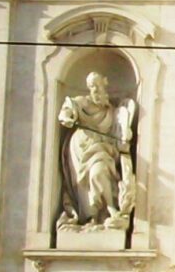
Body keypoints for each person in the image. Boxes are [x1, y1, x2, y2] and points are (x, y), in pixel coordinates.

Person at [56, 68, 135, 230]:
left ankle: (111, 208)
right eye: (92, 86)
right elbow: (67, 111)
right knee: (83, 184)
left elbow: (120, 130)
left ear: (104, 86)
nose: (95, 89)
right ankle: (90, 217)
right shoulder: (83, 102)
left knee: (98, 172)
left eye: (98, 85)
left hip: (104, 150)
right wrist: (67, 118)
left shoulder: (112, 111)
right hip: (81, 148)